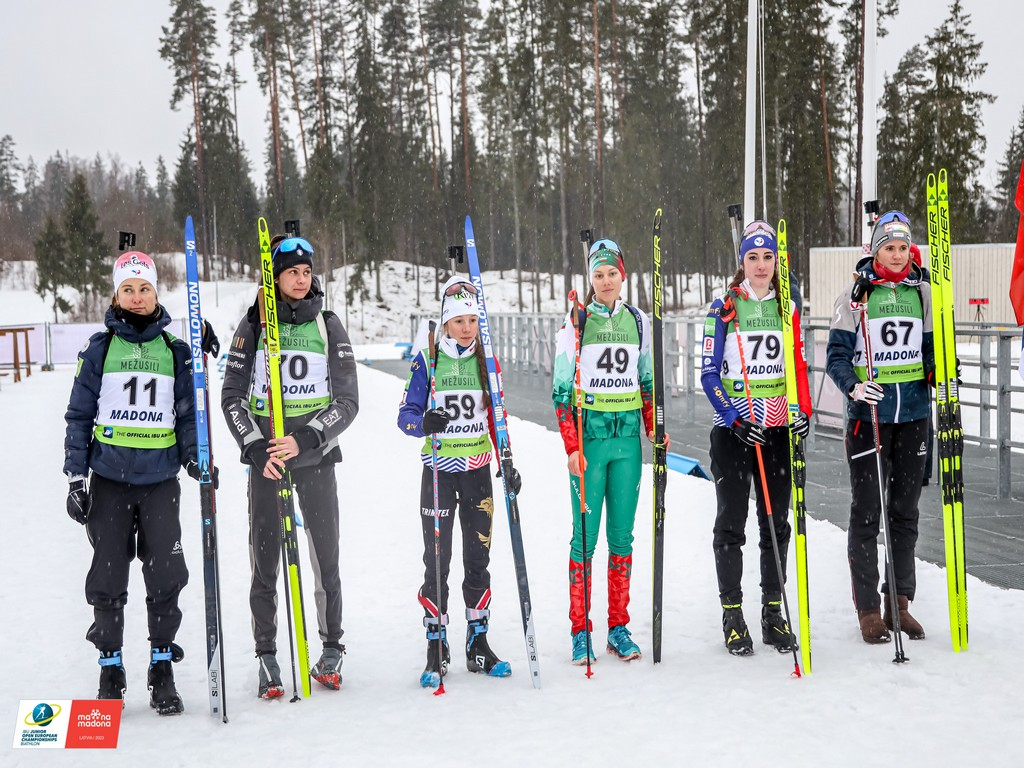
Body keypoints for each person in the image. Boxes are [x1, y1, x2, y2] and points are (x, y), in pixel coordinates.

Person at [64, 250, 217, 715]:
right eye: (127, 289)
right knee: (108, 574)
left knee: (166, 574)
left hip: (159, 483)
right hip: (109, 481)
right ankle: (111, 667)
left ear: (155, 293)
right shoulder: (98, 349)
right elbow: (78, 417)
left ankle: (161, 666)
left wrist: (196, 460)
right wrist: (75, 478)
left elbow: (189, 417)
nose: (136, 297)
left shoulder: (176, 351)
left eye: (144, 288)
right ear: (116, 295)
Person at [221, 234, 359, 697]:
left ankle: (332, 647)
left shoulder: (327, 324)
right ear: (274, 277)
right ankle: (266, 654)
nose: (301, 280)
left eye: (306, 272)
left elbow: (347, 401)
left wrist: (305, 439)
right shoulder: (253, 326)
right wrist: (256, 448)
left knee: (325, 557)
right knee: (265, 559)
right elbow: (232, 397)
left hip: (315, 457)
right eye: (291, 273)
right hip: (269, 463)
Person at [397, 275, 518, 687]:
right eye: (459, 321)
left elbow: (498, 418)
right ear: (446, 323)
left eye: (472, 320)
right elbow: (405, 416)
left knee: (477, 559)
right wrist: (423, 422)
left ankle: (477, 643)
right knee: (437, 560)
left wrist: (508, 461)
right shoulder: (428, 360)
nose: (466, 328)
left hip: (477, 473)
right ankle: (436, 645)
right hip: (439, 474)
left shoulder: (487, 362)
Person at [700, 221, 811, 656]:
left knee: (775, 525)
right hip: (735, 432)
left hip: (778, 431)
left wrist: (803, 411)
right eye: (753, 257)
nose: (761, 265)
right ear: (742, 262)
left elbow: (797, 366)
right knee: (731, 524)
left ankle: (772, 612)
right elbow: (709, 374)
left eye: (768, 257)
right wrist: (732, 418)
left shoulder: (788, 308)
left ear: (777, 262)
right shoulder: (723, 308)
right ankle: (732, 615)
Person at [551, 238, 665, 665]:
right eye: (598, 275)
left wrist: (654, 428)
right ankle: (580, 631)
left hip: (627, 444)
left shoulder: (638, 320)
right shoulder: (576, 323)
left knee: (622, 537)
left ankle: (618, 627)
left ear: (623, 276)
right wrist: (571, 445)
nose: (605, 281)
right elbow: (561, 390)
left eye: (612, 273)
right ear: (590, 278)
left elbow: (647, 381)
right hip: (591, 443)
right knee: (584, 540)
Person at [826, 211, 932, 644]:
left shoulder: (922, 291)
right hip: (869, 419)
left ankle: (899, 603)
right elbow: (836, 357)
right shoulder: (855, 295)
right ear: (875, 251)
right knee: (868, 512)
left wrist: (940, 371)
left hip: (914, 417)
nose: (897, 254)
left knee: (905, 512)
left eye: (903, 247)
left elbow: (932, 348)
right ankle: (869, 609)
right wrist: (853, 387)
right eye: (889, 247)